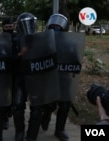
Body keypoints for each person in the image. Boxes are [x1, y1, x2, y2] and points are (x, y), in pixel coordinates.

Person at [16, 12, 61, 141]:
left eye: (30, 24)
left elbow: (50, 56)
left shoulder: (43, 39)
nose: (27, 27)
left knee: (37, 109)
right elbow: (8, 58)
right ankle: (19, 132)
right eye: (24, 25)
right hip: (21, 78)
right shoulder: (14, 40)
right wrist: (19, 54)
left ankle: (31, 136)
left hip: (37, 78)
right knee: (17, 107)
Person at [41, 13, 85, 141]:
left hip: (65, 78)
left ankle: (59, 130)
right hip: (50, 79)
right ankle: (46, 116)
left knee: (65, 105)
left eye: (58, 25)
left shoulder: (70, 42)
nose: (55, 28)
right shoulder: (45, 41)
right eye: (53, 25)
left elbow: (75, 60)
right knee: (50, 105)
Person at [1, 17, 28, 141]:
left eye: (11, 26)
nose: (9, 29)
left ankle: (20, 132)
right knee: (4, 99)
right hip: (3, 74)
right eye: (6, 27)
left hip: (18, 75)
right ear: (3, 27)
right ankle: (5, 118)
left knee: (18, 105)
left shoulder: (20, 38)